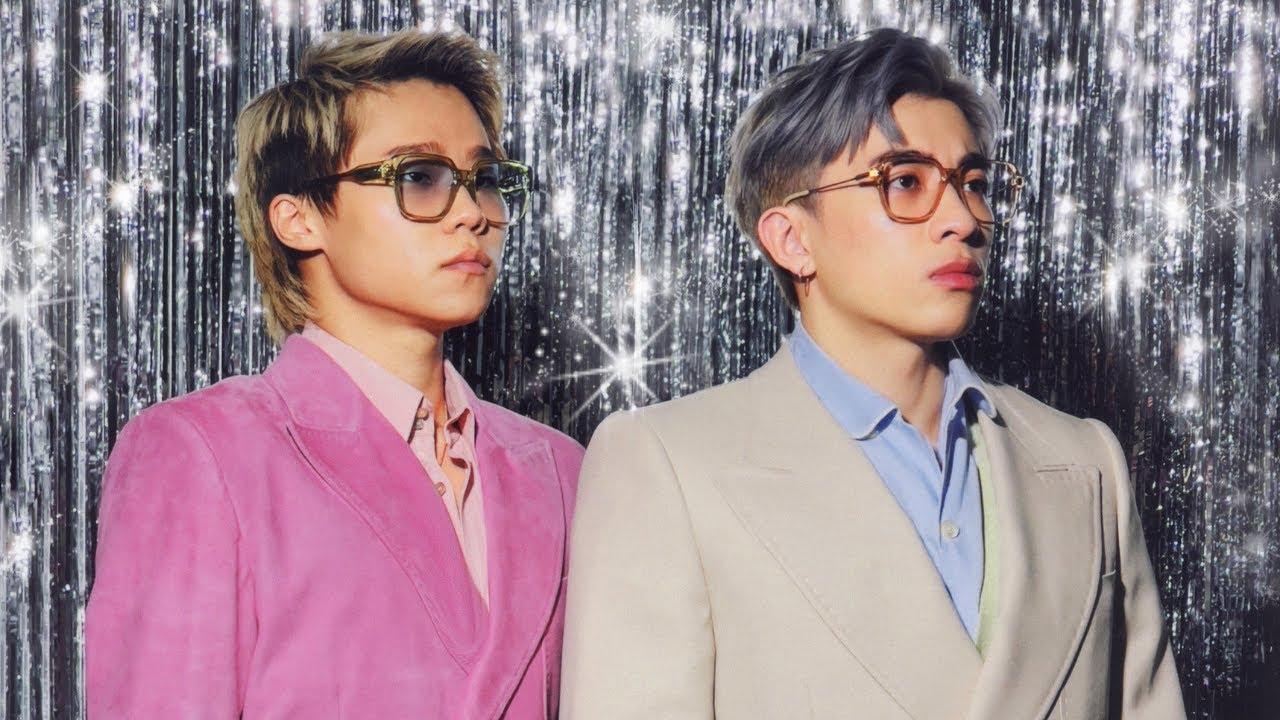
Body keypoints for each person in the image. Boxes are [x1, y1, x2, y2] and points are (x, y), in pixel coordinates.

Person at [560, 27, 1185, 719]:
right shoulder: (667, 463)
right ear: (792, 239)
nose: (962, 220)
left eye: (973, 183)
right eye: (905, 182)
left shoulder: (1086, 462)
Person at [86, 29, 583, 718]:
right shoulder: (202, 454)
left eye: (487, 180)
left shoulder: (561, 471)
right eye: (419, 177)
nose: (473, 214)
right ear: (298, 220)